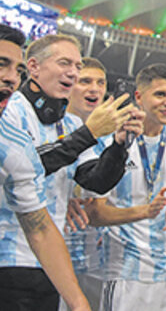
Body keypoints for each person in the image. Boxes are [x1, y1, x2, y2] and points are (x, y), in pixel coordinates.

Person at [0, 33, 140, 310]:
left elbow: (95, 182)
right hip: (8, 256)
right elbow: (28, 167)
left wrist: (118, 145)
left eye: (77, 66)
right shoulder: (10, 110)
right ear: (34, 67)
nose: (73, 72)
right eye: (65, 63)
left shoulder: (70, 122)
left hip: (49, 257)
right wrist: (88, 134)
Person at [83, 64, 166, 310]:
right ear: (138, 97)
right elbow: (94, 214)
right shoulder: (110, 138)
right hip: (128, 271)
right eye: (160, 94)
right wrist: (144, 212)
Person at [0, 26, 90, 311]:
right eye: (2, 65)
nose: (11, 78)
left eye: (17, 70)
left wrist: (78, 303)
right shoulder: (18, 118)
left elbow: (38, 225)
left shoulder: (11, 143)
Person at [61, 57, 111, 311]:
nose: (95, 88)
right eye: (86, 81)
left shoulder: (113, 137)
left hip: (96, 256)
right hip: (52, 251)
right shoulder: (51, 127)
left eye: (101, 82)